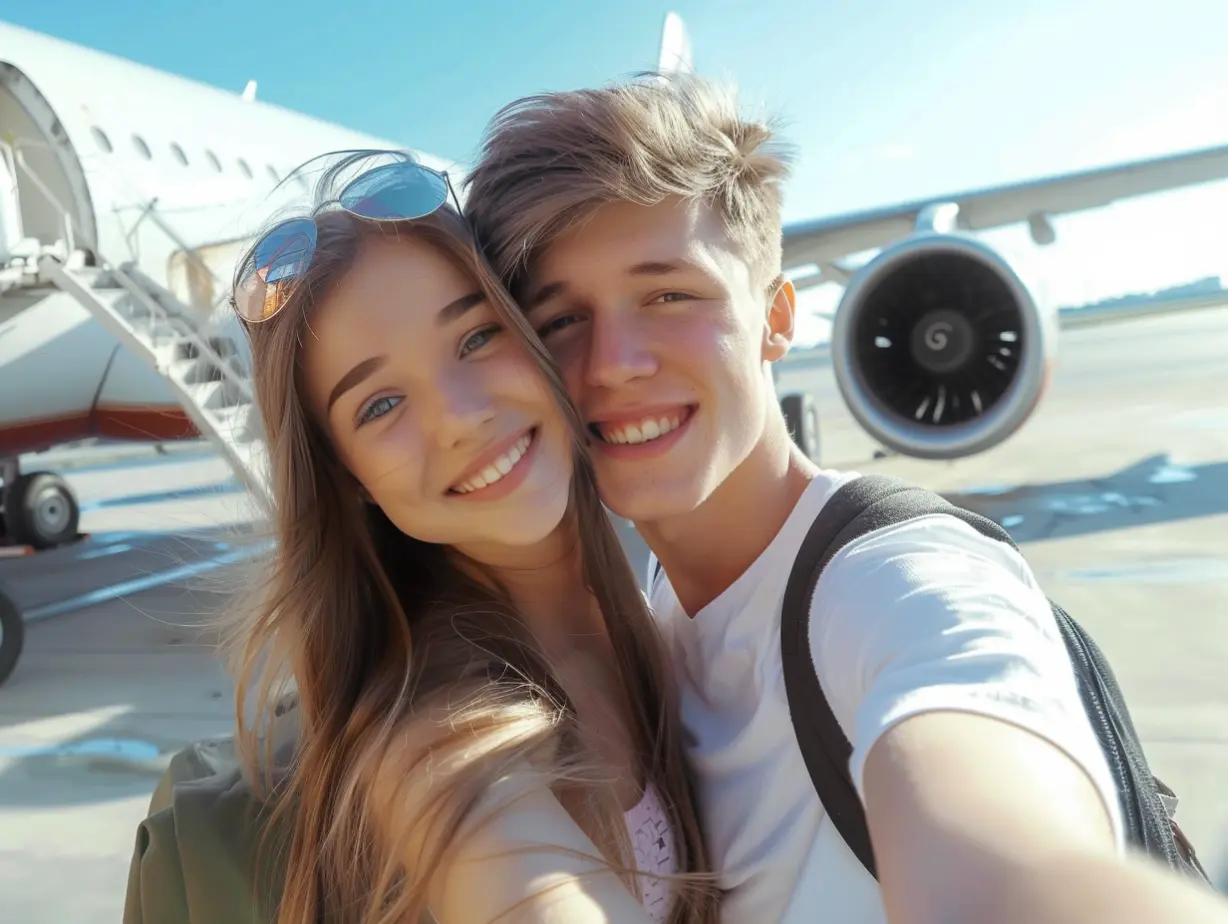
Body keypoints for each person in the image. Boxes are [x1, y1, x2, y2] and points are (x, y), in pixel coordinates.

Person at [463, 75, 1228, 924]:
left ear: (776, 318)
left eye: (669, 294)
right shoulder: (653, 624)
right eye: (562, 319)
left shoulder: (892, 587)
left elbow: (1003, 844)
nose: (612, 363)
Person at [123, 151, 718, 924]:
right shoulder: (440, 739)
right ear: (351, 480)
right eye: (379, 406)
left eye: (475, 338)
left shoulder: (676, 619)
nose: (458, 415)